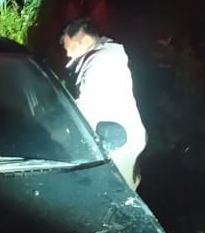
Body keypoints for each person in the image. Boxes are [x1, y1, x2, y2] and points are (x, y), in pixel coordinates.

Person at [60, 17, 146, 189]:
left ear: (85, 40)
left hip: (117, 141)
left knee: (118, 195)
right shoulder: (100, 55)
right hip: (114, 137)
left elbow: (85, 107)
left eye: (71, 48)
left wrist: (61, 128)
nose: (68, 54)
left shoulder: (101, 62)